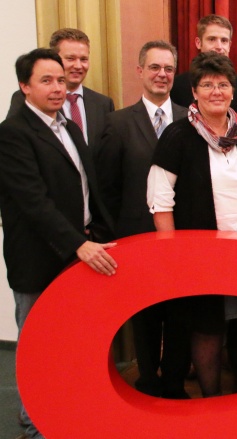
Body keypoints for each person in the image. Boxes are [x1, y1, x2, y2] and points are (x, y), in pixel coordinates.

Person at [147, 52, 237, 437]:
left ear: (232, 91)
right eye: (207, 84)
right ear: (194, 91)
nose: (216, 91)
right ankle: (213, 408)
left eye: (223, 84)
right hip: (201, 257)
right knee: (207, 328)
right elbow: (160, 199)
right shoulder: (178, 136)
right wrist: (173, 254)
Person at [0, 48, 117, 439]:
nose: (57, 88)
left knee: (72, 342)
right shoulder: (12, 133)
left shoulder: (68, 126)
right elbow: (33, 201)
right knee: (38, 344)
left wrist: (99, 233)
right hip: (39, 257)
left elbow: (89, 186)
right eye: (46, 81)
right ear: (24, 86)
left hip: (81, 248)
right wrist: (76, 244)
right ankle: (34, 424)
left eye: (61, 81)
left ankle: (66, 412)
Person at [96, 40, 190, 399]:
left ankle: (175, 383)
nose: (162, 74)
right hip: (137, 238)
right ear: (140, 71)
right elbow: (107, 188)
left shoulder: (191, 118)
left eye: (168, 68)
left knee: (181, 312)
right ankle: (148, 380)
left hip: (184, 237)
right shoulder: (117, 123)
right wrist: (118, 235)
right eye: (154, 67)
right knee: (145, 315)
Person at [7, 28, 115, 147]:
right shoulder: (25, 97)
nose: (78, 66)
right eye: (70, 58)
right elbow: (14, 140)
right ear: (55, 60)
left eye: (83, 59)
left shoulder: (103, 104)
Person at [170, 14, 237, 112]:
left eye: (224, 41)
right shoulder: (176, 85)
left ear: (229, 45)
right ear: (198, 43)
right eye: (212, 39)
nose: (219, 46)